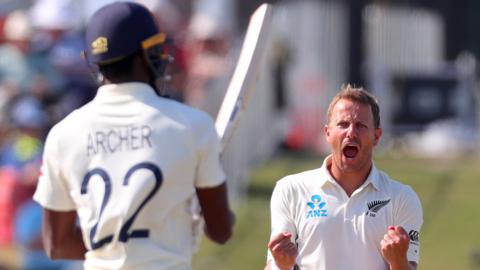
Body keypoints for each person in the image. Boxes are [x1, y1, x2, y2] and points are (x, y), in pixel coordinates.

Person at [33, 2, 234, 269]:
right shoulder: (192, 125)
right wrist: (176, 234)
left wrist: (114, 245)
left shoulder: (63, 134)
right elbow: (221, 231)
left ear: (93, 62)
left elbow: (57, 245)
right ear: (150, 51)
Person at [265, 85, 423, 270]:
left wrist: (398, 261)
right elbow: (273, 265)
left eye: (361, 126)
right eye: (343, 124)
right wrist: (282, 266)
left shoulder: (401, 197)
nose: (351, 133)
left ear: (377, 136)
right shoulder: (291, 189)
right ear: (327, 133)